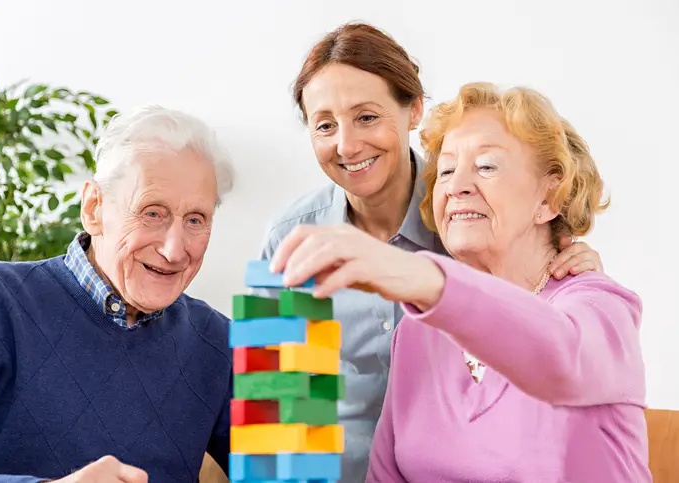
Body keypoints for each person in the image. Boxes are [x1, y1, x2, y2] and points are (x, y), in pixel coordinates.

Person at [257, 22, 606, 482]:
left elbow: (558, 336)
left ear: (414, 109)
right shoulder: (291, 239)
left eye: (366, 116)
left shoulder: (470, 217)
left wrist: (579, 270)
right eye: (325, 125)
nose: (347, 144)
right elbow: (272, 410)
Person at [0, 106, 235, 482]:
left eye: (196, 220)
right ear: (93, 208)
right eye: (153, 213)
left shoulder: (217, 341)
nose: (174, 249)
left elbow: (287, 469)